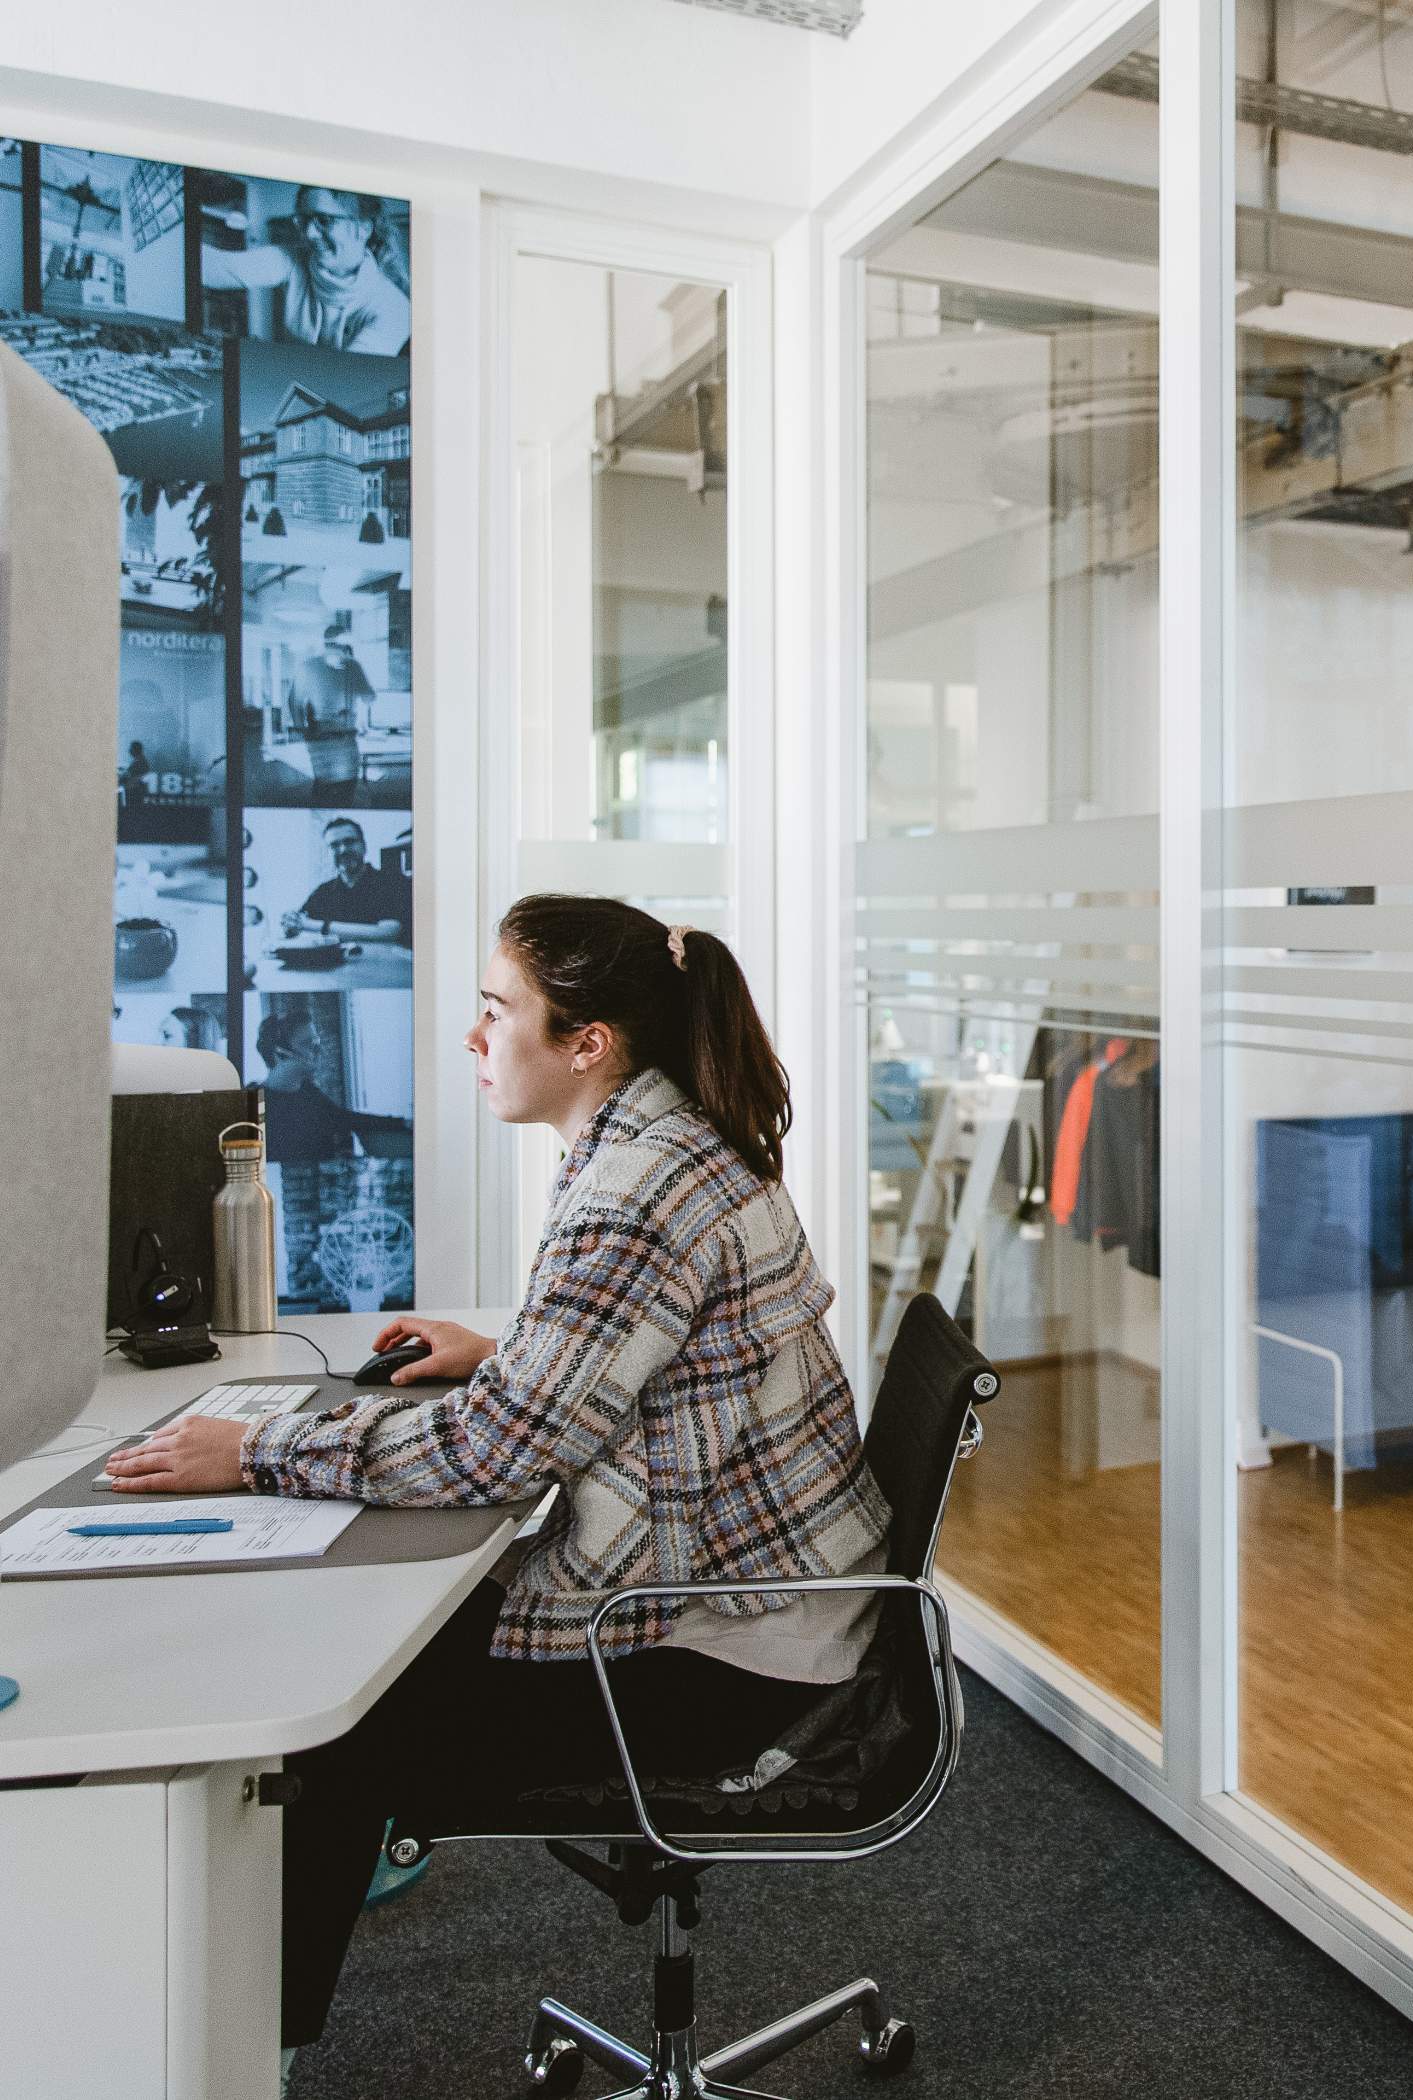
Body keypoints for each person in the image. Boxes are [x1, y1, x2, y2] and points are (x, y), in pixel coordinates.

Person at [106, 898, 893, 2069]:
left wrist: (254, 1450)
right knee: (365, 1649)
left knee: (339, 1727)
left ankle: (240, 2060)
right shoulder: (656, 1137)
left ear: (588, 1042)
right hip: (777, 1591)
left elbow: (495, 1455)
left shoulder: (637, 1188)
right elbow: (622, 1357)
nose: (475, 1041)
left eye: (495, 1012)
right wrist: (508, 1355)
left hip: (733, 1647)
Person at [201, 187, 410, 356]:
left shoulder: (395, 309)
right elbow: (215, 268)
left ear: (363, 227)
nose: (309, 234)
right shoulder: (293, 260)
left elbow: (345, 378)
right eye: (303, 221)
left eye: (324, 221)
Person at [281, 817, 411, 946]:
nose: (343, 850)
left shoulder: (393, 882)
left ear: (364, 846)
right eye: (334, 845)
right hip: (335, 966)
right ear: (328, 853)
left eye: (349, 842)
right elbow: (299, 925)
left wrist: (320, 926)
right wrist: (291, 924)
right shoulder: (323, 891)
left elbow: (388, 932)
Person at [254, 1008, 357, 1163]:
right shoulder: (253, 1105)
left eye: (316, 1041)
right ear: (278, 1053)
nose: (317, 1051)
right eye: (307, 1044)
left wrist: (402, 1123)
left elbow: (345, 1118)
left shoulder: (309, 1093)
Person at [285, 630, 372, 804]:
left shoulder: (309, 666)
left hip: (322, 736)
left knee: (327, 787)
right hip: (339, 735)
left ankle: (324, 818)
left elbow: (294, 701)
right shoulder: (351, 666)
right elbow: (369, 697)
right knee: (344, 787)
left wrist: (301, 728)